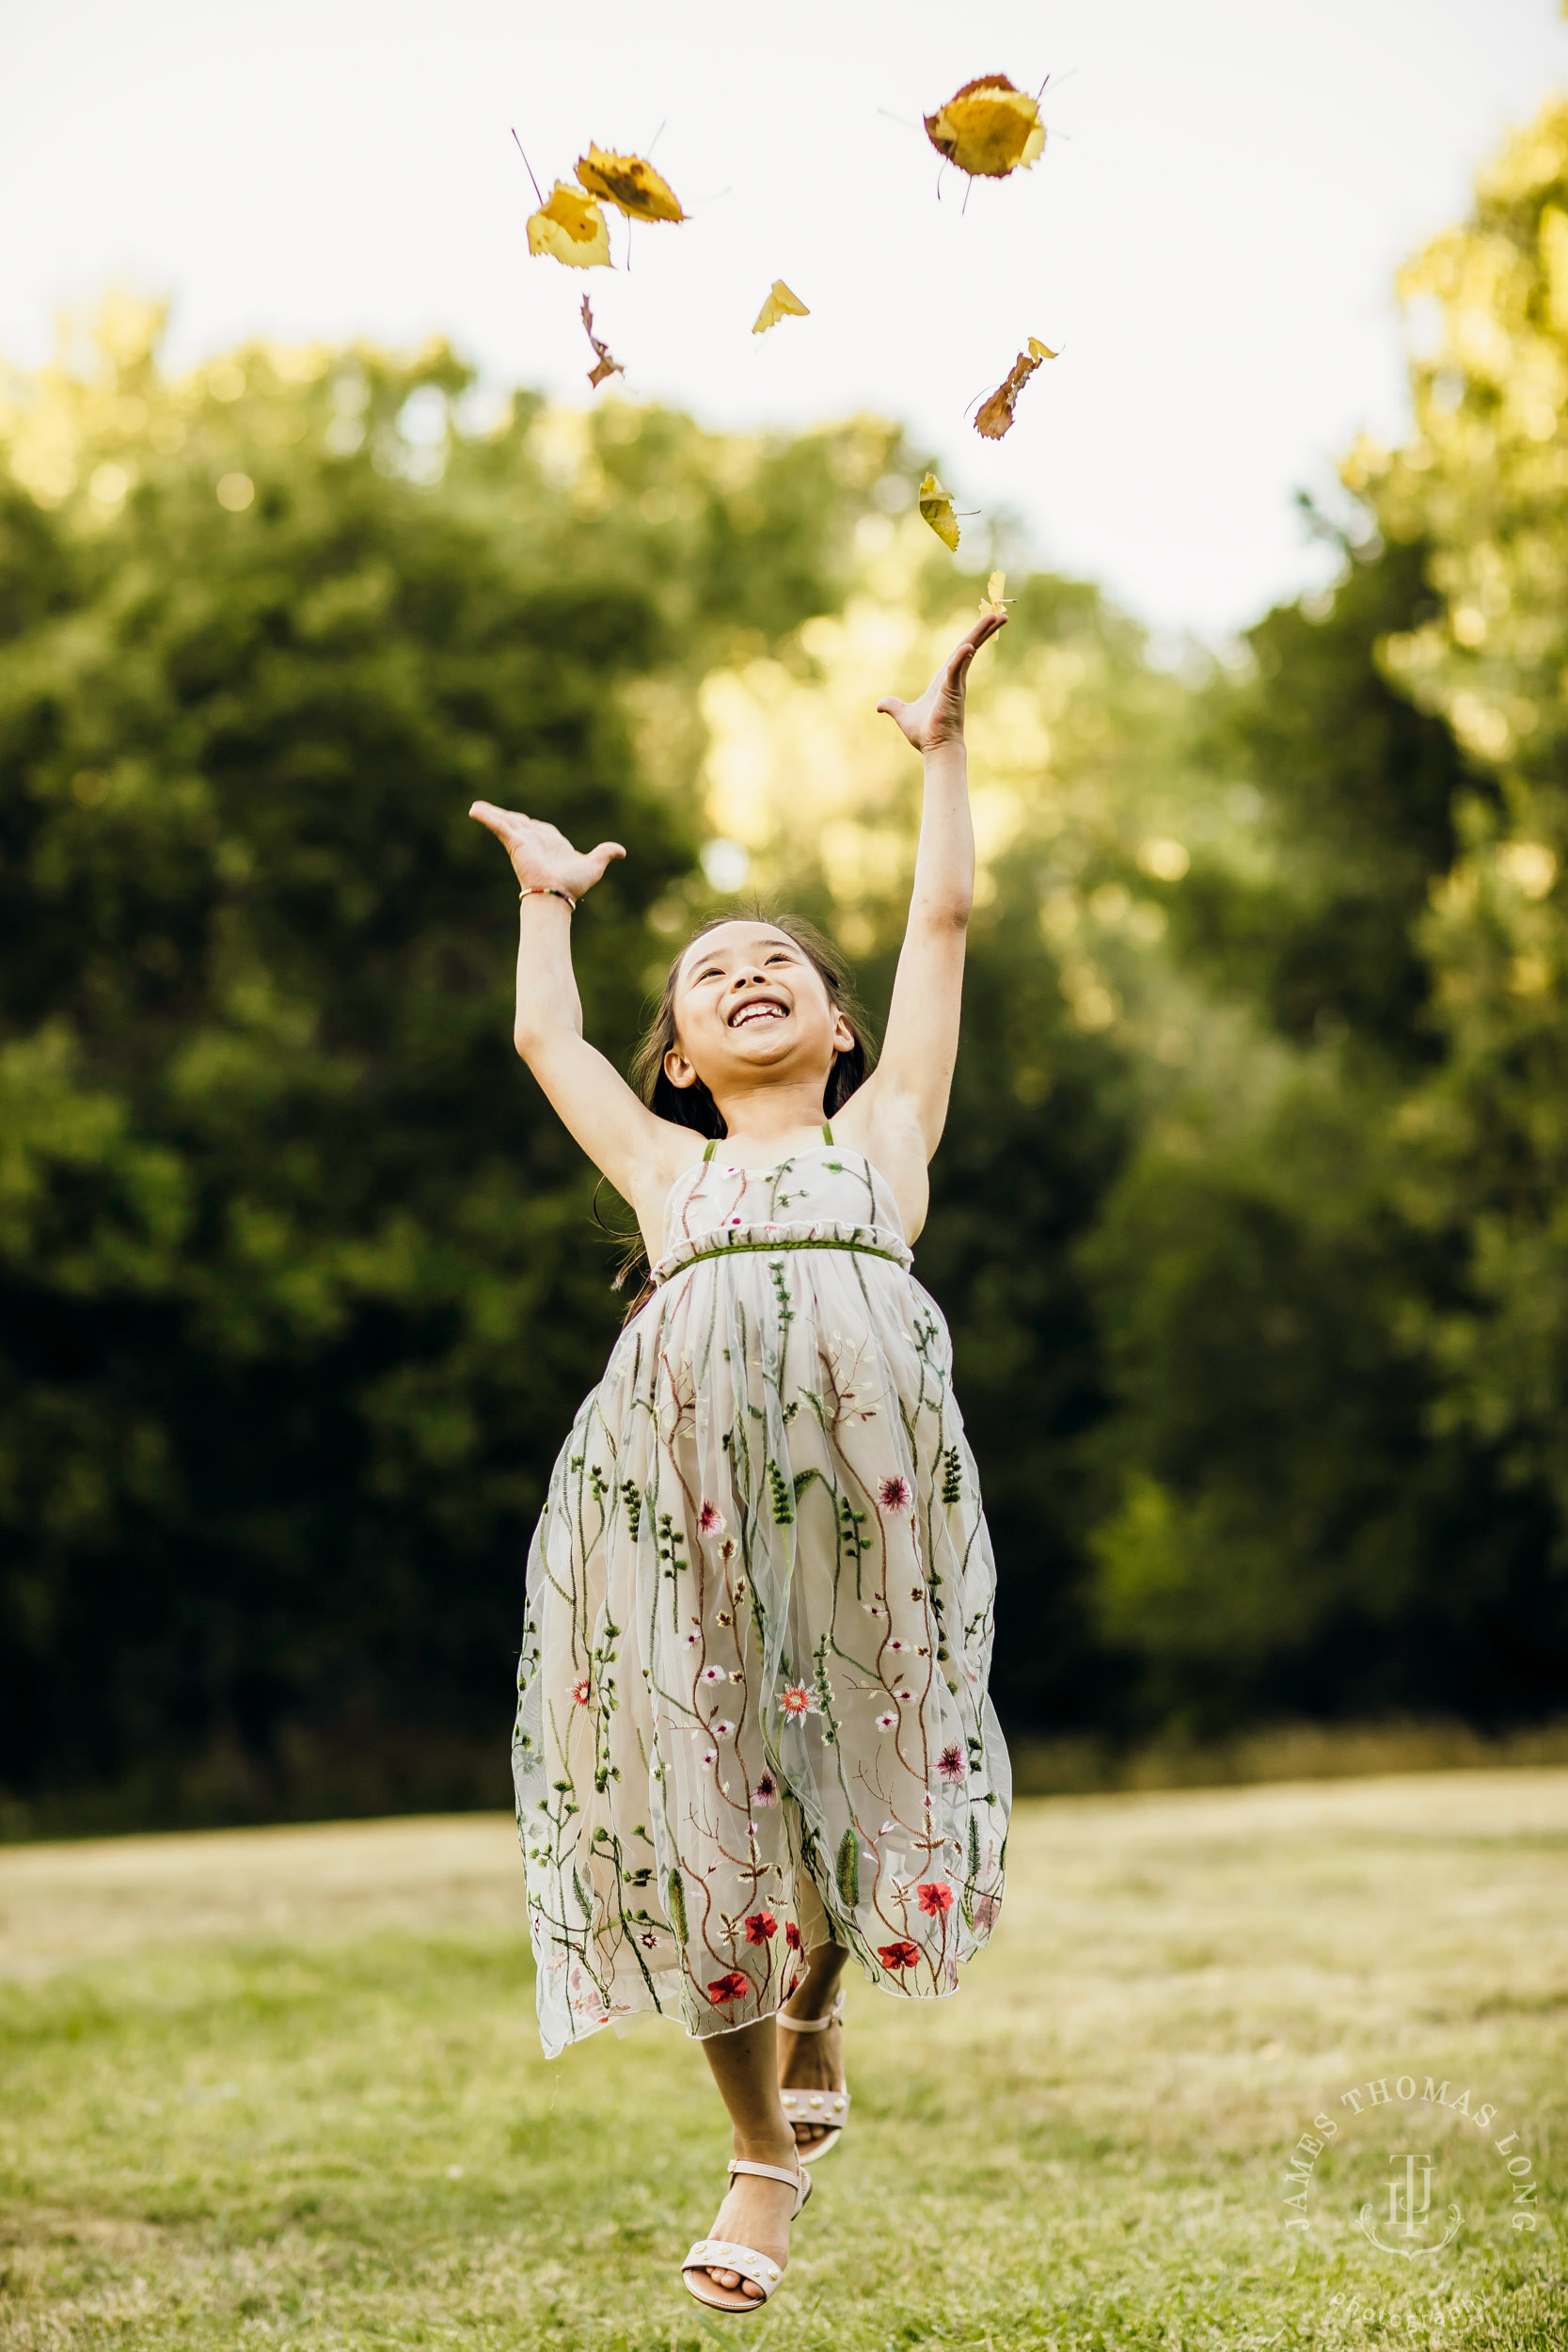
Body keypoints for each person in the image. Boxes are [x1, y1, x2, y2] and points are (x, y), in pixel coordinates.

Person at [469, 613, 1012, 2315]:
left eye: (778, 960)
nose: (747, 971)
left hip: (867, 1516)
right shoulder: (663, 1174)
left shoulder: (887, 1133)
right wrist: (551, 913)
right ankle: (760, 2154)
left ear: (839, 1029)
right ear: (686, 1061)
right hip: (669, 1508)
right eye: (709, 974)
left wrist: (940, 755)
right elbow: (547, 1049)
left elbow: (941, 918)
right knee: (701, 1805)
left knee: (853, 1771)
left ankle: (824, 1994)